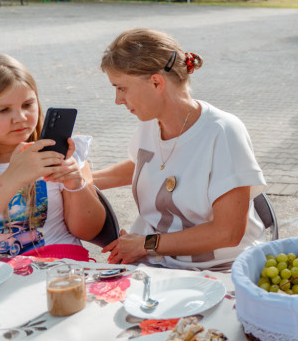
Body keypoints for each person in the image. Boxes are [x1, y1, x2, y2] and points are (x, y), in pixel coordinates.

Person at [94, 29, 267, 271]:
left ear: (156, 82)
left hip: (220, 269)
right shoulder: (150, 124)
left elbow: (227, 233)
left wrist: (145, 244)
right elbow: (142, 164)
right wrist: (82, 181)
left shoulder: (223, 131)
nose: (117, 99)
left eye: (121, 88)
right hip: (157, 264)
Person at [0, 54, 105, 261]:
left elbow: (89, 232)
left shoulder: (64, 152)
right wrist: (14, 176)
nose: (21, 118)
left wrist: (75, 184)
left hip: (61, 270)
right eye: (2, 110)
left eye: (28, 105)